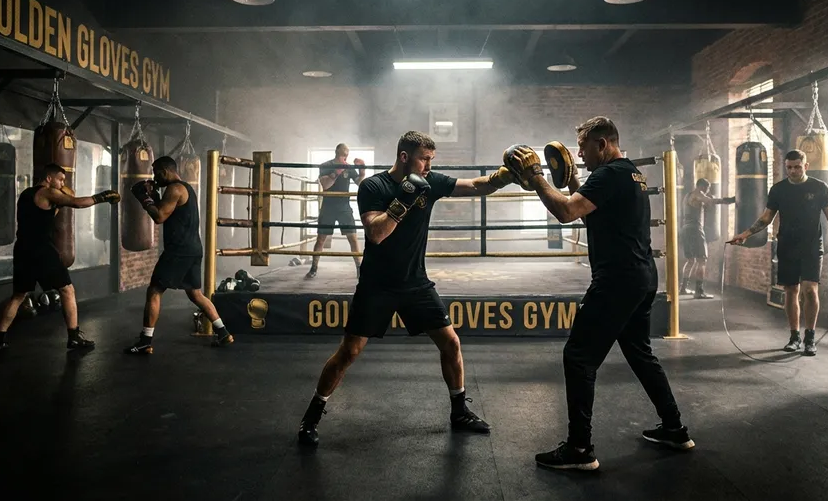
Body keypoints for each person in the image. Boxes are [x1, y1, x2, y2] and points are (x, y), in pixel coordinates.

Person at [296, 130, 521, 447]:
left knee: (451, 343)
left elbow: (475, 186)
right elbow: (376, 234)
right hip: (377, 286)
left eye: (431, 160)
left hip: (415, 283)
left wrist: (507, 176)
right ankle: (311, 417)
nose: (429, 166)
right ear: (404, 157)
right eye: (424, 159)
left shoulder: (429, 181)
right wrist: (403, 199)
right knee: (349, 352)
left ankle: (459, 412)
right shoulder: (373, 187)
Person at [508, 117, 693, 472]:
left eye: (584, 147)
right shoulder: (631, 174)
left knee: (578, 356)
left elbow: (566, 212)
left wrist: (536, 177)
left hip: (617, 281)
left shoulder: (608, 175)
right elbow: (592, 215)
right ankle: (675, 428)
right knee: (639, 353)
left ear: (603, 144)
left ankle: (580, 448)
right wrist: (572, 182)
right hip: (642, 277)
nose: (579, 154)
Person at [728, 149, 828, 356]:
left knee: (810, 290)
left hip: (811, 246)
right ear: (785, 167)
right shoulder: (778, 190)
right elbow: (766, 218)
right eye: (789, 167)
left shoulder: (819, 187)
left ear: (806, 166)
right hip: (787, 245)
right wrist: (745, 234)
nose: (793, 171)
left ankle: (810, 337)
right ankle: (794, 336)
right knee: (791, 291)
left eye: (797, 167)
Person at [0, 163, 120, 351]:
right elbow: (76, 202)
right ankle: (74, 337)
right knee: (67, 290)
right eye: (60, 179)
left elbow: (48, 214)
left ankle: (0, 338)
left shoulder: (27, 194)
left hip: (22, 250)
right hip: (41, 250)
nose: (62, 184)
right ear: (49, 178)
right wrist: (102, 197)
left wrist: (60, 198)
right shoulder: (47, 192)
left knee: (18, 296)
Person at [125, 156, 234, 354]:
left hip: (179, 251)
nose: (155, 177)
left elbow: (159, 216)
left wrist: (143, 197)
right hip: (193, 249)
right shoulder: (186, 188)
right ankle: (223, 333)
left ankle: (145, 341)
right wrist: (154, 197)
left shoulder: (174, 189)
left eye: (156, 173)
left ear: (165, 171)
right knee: (195, 294)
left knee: (154, 290)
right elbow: (167, 210)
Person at [306, 143, 367, 279]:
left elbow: (360, 183)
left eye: (346, 155)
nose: (345, 158)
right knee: (321, 239)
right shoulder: (326, 166)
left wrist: (362, 171)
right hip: (328, 207)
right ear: (337, 153)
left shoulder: (348, 167)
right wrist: (336, 172)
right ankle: (314, 268)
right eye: (343, 155)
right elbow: (325, 185)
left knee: (353, 238)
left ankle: (359, 268)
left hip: (344, 207)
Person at [679, 178, 735, 299]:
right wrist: (730, 200)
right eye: (707, 188)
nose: (707, 191)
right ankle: (699, 291)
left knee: (691, 260)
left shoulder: (688, 195)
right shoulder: (698, 194)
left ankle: (683, 288)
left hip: (685, 229)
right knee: (702, 260)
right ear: (703, 187)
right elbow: (710, 201)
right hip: (695, 229)